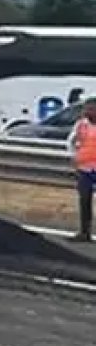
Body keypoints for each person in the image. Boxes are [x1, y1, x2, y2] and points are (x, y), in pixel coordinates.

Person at [66, 97, 96, 242]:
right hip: (84, 169)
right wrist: (74, 156)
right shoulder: (80, 125)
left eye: (91, 109)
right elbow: (71, 141)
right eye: (86, 109)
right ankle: (84, 232)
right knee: (85, 200)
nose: (88, 112)